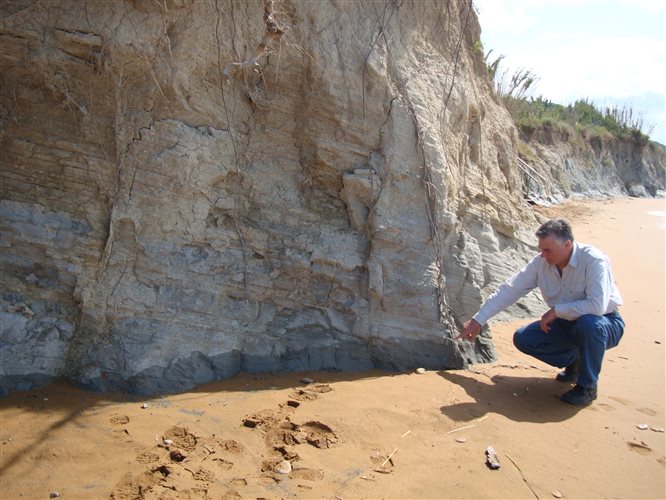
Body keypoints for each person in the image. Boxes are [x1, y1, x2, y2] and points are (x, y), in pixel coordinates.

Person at [457, 219, 624, 406]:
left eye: (548, 250)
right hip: (566, 323)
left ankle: (587, 387)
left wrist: (557, 310)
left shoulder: (593, 260)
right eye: (541, 249)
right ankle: (576, 361)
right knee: (524, 338)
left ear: (567, 244)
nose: (543, 255)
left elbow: (597, 307)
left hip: (605, 323)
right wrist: (478, 320)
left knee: (589, 324)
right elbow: (510, 290)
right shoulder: (541, 263)